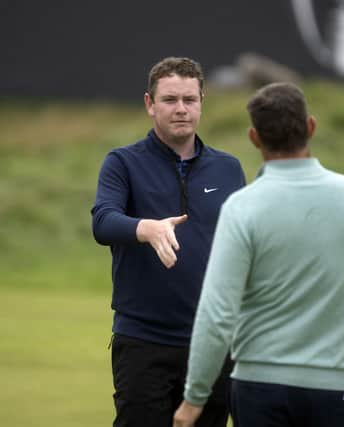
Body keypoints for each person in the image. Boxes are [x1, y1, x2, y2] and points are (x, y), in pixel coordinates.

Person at [173, 82, 344, 427]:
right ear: (310, 127)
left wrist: (194, 398)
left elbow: (218, 314)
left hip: (260, 388)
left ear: (255, 138)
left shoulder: (242, 207)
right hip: (338, 386)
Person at [91, 56, 246, 427]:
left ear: (201, 102)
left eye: (189, 100)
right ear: (150, 104)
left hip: (213, 343)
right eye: (170, 100)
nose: (181, 109)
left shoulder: (228, 168)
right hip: (144, 341)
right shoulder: (122, 163)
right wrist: (147, 228)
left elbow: (244, 246)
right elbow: (103, 221)